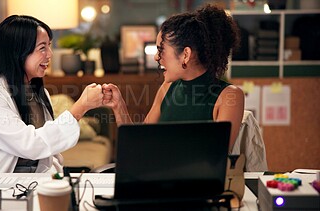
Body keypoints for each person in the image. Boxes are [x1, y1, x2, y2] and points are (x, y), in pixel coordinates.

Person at [103, 4, 245, 151]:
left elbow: (216, 156)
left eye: (161, 50)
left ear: (185, 55)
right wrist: (118, 106)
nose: (157, 57)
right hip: (158, 172)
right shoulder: (167, 88)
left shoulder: (230, 96)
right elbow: (138, 142)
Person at [0, 15, 103, 173]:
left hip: (35, 185)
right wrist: (80, 107)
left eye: (49, 46)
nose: (49, 54)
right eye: (42, 48)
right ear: (17, 52)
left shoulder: (37, 93)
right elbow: (30, 145)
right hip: (1, 188)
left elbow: (50, 154)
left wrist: (58, 180)